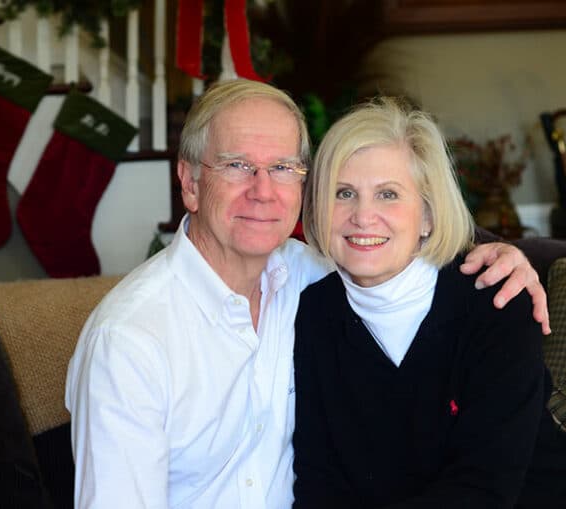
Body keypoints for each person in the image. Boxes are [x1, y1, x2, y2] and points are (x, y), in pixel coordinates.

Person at [65, 79, 549, 509]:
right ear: (191, 183)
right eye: (237, 165)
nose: (262, 191)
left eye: (281, 167)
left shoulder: (303, 276)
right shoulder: (131, 339)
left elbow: (398, 255)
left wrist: (510, 255)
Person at [293, 96, 566, 508]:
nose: (363, 216)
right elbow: (318, 481)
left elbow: (484, 490)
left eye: (388, 194)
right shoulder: (312, 313)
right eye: (343, 193)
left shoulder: (497, 300)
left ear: (427, 216)